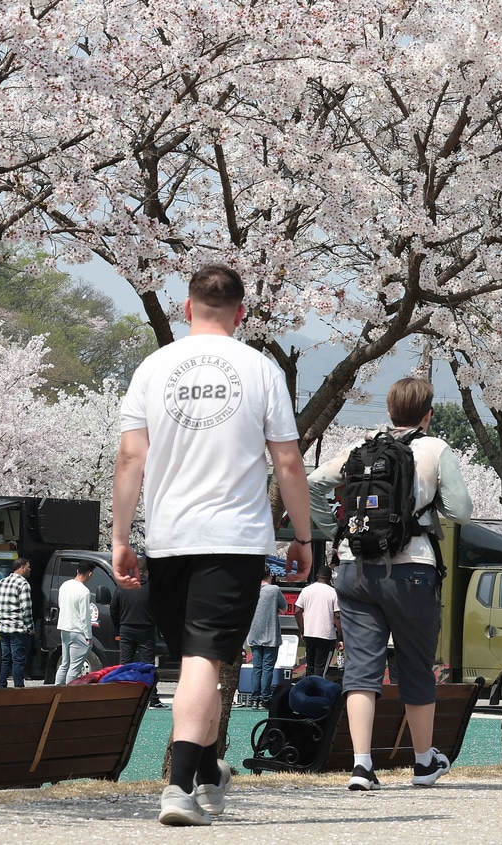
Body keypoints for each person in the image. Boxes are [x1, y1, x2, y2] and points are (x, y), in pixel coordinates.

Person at [110, 263, 313, 827]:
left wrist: (121, 537)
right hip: (234, 538)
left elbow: (131, 458)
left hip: (169, 537)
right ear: (241, 311)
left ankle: (181, 783)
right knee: (204, 660)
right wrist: (302, 536)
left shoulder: (153, 368)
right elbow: (288, 461)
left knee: (198, 659)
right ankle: (203, 775)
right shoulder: (261, 369)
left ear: (185, 307)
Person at [307, 376, 472, 792]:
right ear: (428, 414)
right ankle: (422, 762)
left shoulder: (361, 449)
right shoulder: (434, 449)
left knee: (362, 668)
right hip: (411, 571)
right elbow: (463, 512)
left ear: (389, 410)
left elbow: (312, 485)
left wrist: (336, 530)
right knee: (415, 665)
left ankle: (362, 766)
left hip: (354, 567)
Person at [111, 558, 167, 708]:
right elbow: (160, 609)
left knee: (125, 664)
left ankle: (122, 695)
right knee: (147, 664)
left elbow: (114, 608)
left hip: (126, 628)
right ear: (147, 571)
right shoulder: (152, 587)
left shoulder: (123, 586)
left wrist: (119, 626)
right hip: (146, 629)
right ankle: (152, 698)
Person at [245, 570, 283, 709]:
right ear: (270, 575)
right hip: (270, 635)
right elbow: (284, 606)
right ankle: (265, 698)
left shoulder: (251, 590)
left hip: (254, 634)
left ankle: (255, 698)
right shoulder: (274, 590)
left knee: (257, 668)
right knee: (267, 668)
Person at [0, 558, 33, 688]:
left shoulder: (1, 582)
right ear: (21, 567)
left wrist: (2, 620)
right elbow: (26, 608)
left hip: (4, 628)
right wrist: (30, 627)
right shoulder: (23, 584)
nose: (30, 569)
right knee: (18, 661)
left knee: (5, 659)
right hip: (18, 629)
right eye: (28, 567)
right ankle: (18, 688)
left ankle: (1, 686)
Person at [54, 562, 96, 684]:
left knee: (64, 664)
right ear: (90, 574)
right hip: (78, 630)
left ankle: (57, 690)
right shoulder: (84, 591)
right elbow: (85, 616)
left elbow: (61, 605)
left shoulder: (64, 585)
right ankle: (68, 695)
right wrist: (88, 636)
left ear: (77, 571)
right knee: (74, 667)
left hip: (64, 627)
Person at [295, 567, 340, 678]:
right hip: (326, 635)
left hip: (309, 633)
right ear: (330, 578)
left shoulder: (306, 590)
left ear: (316, 575)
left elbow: (297, 611)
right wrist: (340, 636)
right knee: (320, 668)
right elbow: (338, 616)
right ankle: (316, 692)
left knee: (309, 666)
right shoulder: (333, 593)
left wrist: (303, 630)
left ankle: (309, 691)